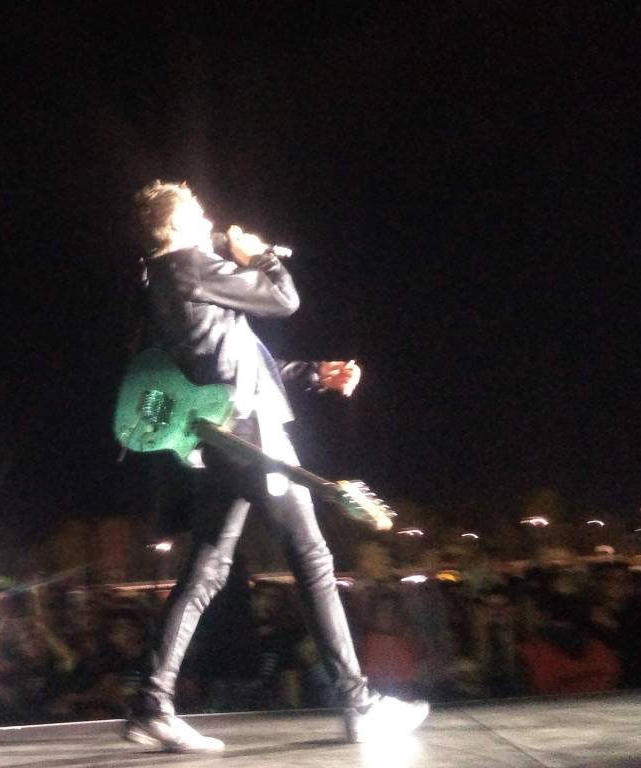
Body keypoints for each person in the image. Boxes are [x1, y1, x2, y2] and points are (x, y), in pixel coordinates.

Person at [122, 180, 428, 752]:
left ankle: (151, 705)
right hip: (251, 432)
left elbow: (228, 359)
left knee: (207, 568)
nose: (209, 220)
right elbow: (284, 299)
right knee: (311, 557)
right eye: (198, 213)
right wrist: (259, 255)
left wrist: (313, 373)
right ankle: (359, 704)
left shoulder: (159, 281)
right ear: (177, 225)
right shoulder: (189, 263)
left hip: (220, 437)